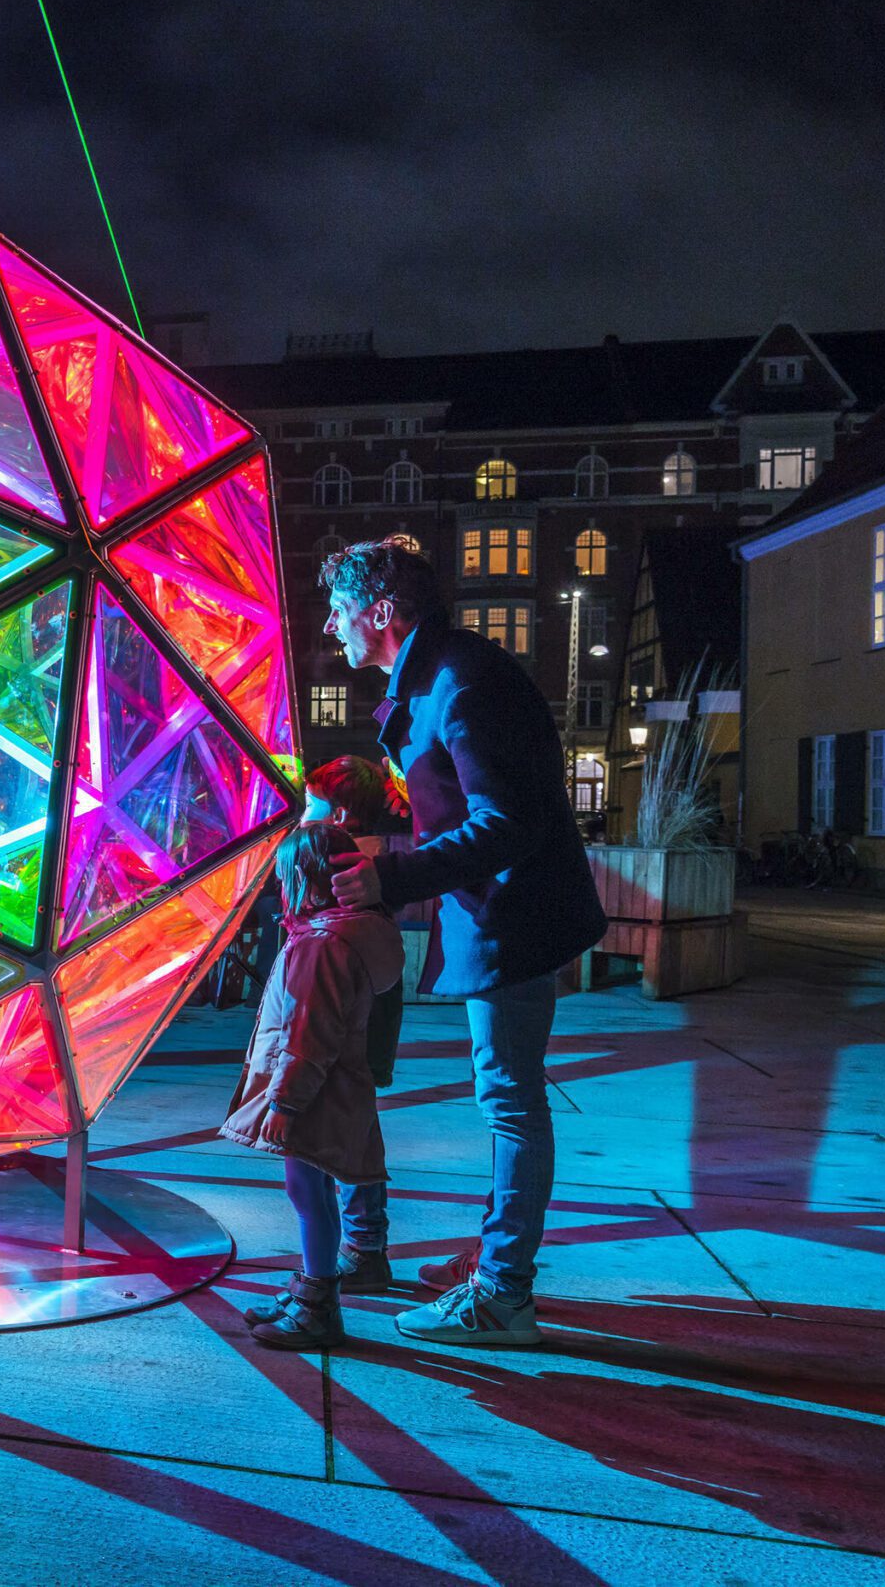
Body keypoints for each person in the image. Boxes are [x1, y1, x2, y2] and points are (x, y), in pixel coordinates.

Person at [321, 538, 607, 1347]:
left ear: (380, 611)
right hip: (499, 916)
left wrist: (393, 878)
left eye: (340, 611)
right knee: (508, 1096)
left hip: (511, 921)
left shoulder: (459, 684)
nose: (332, 629)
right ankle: (497, 1265)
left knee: (511, 1101)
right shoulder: (443, 674)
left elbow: (508, 823)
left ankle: (504, 1294)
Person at [221, 821, 405, 1350]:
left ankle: (317, 1303)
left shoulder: (320, 945)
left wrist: (283, 1101)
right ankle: (310, 1285)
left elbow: (308, 1033)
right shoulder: (363, 931)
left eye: (282, 877)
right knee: (319, 1192)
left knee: (306, 1193)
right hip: (340, 1085)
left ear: (302, 878)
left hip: (311, 1093)